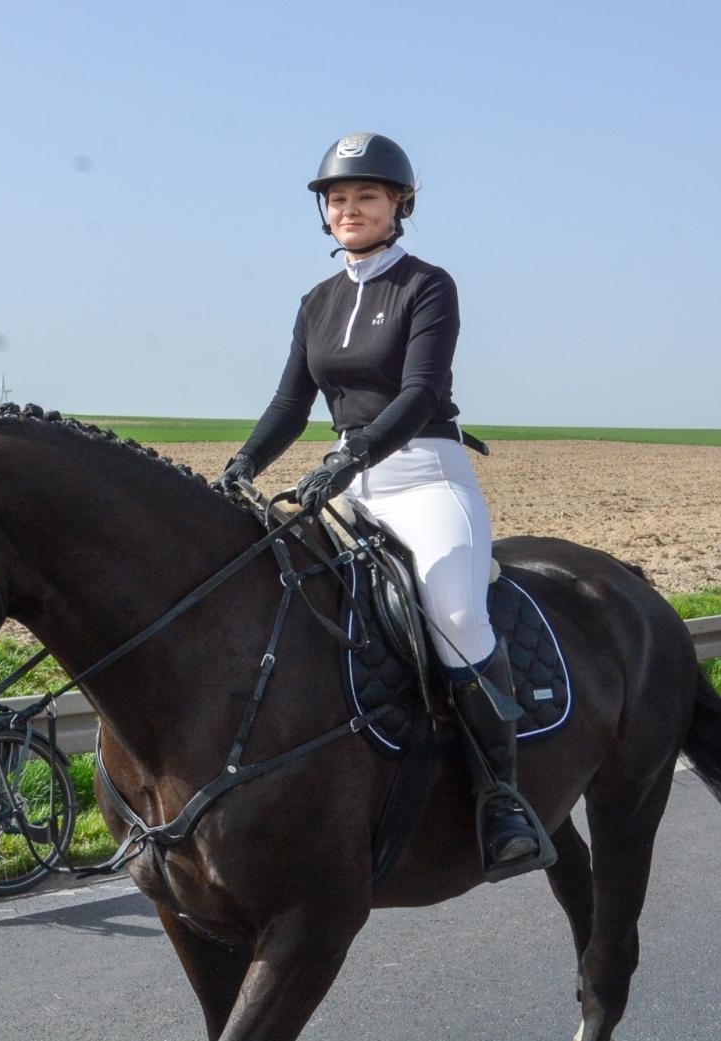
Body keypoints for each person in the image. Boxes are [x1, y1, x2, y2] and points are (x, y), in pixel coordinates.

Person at [216, 131, 541, 875]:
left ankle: (502, 798)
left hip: (427, 475)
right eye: (338, 198)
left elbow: (421, 390)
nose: (350, 209)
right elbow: (291, 402)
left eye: (366, 196)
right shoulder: (317, 302)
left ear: (399, 204)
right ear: (324, 214)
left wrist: (352, 454)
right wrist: (243, 462)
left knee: (455, 613)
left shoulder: (427, 285)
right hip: (352, 485)